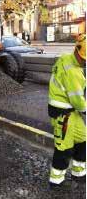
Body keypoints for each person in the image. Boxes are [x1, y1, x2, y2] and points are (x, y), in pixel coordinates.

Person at [48, 33, 86, 188]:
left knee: (83, 140)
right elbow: (77, 100)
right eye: (84, 59)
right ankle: (56, 180)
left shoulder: (65, 58)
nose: (84, 62)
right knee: (64, 148)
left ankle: (79, 173)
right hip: (63, 114)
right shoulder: (73, 72)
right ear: (77, 52)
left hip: (71, 113)